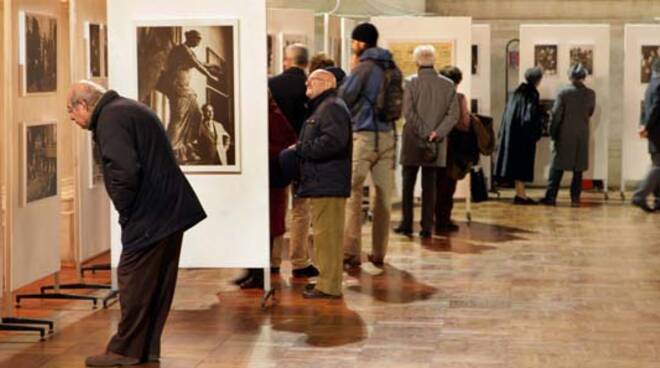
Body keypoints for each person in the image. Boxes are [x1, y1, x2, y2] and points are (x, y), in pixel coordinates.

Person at [67, 81, 206, 367]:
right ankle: (145, 349)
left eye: (71, 111)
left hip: (150, 213)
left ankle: (124, 351)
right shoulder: (127, 109)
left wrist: (125, 209)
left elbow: (124, 170)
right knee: (156, 284)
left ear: (83, 105)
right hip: (168, 210)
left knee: (134, 282)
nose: (71, 117)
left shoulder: (111, 118)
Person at [290, 69, 352, 299]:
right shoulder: (325, 105)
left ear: (327, 83)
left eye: (312, 80)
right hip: (324, 180)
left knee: (328, 237)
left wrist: (301, 149)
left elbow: (334, 142)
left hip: (329, 181)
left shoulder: (331, 106)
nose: (307, 83)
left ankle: (329, 286)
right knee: (326, 236)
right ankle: (327, 282)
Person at [340, 22, 398, 267]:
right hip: (387, 137)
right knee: (383, 198)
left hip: (363, 136)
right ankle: (378, 252)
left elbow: (344, 97)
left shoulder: (363, 68)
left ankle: (351, 251)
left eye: (354, 41)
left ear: (360, 43)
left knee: (352, 193)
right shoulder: (392, 66)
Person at [395, 45, 458, 238]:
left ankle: (406, 224)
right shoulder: (448, 84)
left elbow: (408, 112)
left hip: (413, 139)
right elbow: (453, 114)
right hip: (436, 142)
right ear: (434, 61)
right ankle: (426, 227)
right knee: (430, 186)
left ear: (416, 62)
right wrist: (436, 133)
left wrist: (424, 132)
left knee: (408, 184)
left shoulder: (409, 82)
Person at [268, 43, 319, 278]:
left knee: (276, 208)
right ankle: (299, 261)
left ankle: (273, 260)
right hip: (303, 154)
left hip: (275, 154)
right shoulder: (312, 87)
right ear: (306, 63)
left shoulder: (272, 84)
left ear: (286, 60)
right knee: (301, 209)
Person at [238, 91, 298, 288]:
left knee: (266, 227)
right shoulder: (271, 116)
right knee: (257, 225)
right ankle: (253, 271)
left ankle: (258, 274)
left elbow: (287, 145)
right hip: (264, 177)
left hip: (271, 178)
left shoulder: (273, 118)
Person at [158, 29, 221, 164]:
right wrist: (211, 77)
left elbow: (199, 62)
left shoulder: (187, 50)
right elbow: (197, 65)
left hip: (186, 89)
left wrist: (211, 66)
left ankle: (185, 148)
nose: (199, 42)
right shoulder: (182, 50)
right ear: (190, 38)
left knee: (197, 115)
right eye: (197, 39)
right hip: (178, 88)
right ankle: (168, 149)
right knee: (178, 119)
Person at [540, 64, 596, 206]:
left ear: (570, 76)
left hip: (564, 134)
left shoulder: (563, 93)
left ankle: (551, 197)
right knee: (578, 170)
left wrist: (552, 133)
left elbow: (556, 116)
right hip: (582, 135)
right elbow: (590, 112)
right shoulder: (591, 94)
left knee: (557, 167)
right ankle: (575, 199)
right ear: (583, 77)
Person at [494, 67, 544, 205]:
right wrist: (536, 132)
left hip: (513, 134)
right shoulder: (532, 93)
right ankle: (521, 195)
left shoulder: (516, 92)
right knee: (522, 164)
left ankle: (520, 193)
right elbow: (530, 116)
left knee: (516, 164)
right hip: (524, 135)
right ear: (538, 79)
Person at [437, 66, 474, 233]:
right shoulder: (459, 98)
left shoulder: (433, 98)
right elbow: (464, 124)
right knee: (448, 184)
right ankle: (443, 219)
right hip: (453, 146)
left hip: (434, 144)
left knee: (434, 184)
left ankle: (432, 217)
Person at [632, 58, 660, 212]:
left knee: (657, 164)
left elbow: (645, 109)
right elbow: (656, 108)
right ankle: (639, 195)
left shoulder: (650, 85)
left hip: (653, 133)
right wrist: (646, 126)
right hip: (657, 132)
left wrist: (643, 126)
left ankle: (658, 199)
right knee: (658, 166)